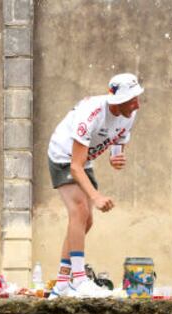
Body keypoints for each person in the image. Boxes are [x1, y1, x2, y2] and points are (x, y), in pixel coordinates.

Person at [45, 73, 143, 298]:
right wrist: (97, 196)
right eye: (132, 99)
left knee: (85, 221)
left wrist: (116, 157)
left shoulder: (130, 114)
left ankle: (61, 283)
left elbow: (118, 140)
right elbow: (75, 167)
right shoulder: (90, 114)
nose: (137, 103)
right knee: (79, 211)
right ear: (117, 101)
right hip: (64, 156)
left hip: (84, 159)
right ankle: (79, 281)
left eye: (137, 97)